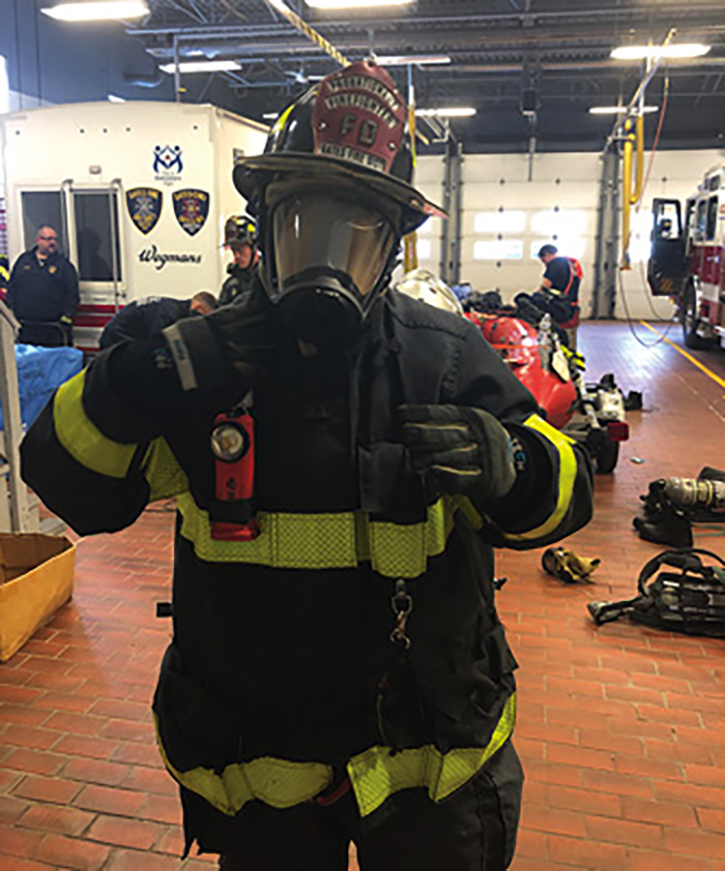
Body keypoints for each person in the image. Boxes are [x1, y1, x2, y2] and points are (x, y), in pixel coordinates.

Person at [21, 61, 593, 871]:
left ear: (393, 243)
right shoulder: (201, 363)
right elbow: (71, 486)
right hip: (264, 775)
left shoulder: (444, 355)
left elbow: (564, 493)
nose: (326, 252)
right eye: (303, 217)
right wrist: (132, 380)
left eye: (355, 227)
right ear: (263, 219)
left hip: (428, 768)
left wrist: (514, 466)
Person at [7, 226, 79, 347]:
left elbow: (72, 293)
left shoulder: (63, 265)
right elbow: (12, 287)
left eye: (55, 240)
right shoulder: (24, 260)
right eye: (49, 239)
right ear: (39, 240)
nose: (53, 243)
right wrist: (13, 310)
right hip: (26, 326)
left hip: (53, 327)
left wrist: (66, 316)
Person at [99, 291, 217, 349]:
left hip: (124, 335)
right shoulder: (169, 314)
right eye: (204, 315)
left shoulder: (174, 308)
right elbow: (155, 344)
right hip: (116, 338)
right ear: (198, 307)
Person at [219, 214, 260, 306]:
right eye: (233, 250)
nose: (236, 256)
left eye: (240, 250)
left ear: (254, 248)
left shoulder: (266, 279)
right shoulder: (231, 285)